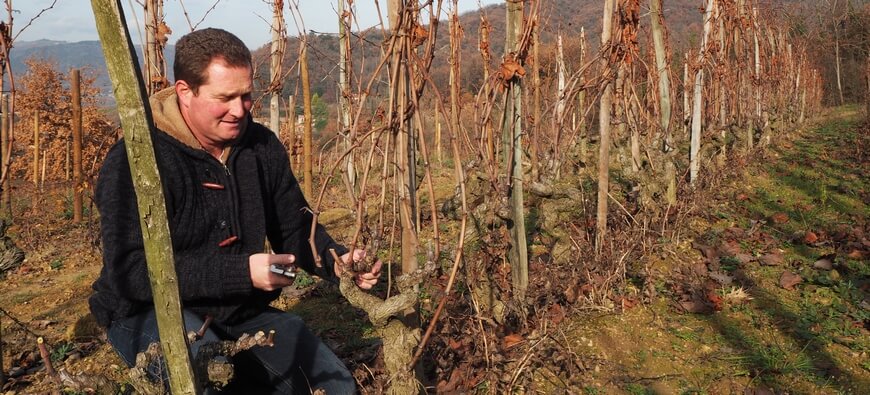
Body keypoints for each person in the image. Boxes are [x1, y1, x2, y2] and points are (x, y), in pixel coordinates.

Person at [89, 28, 381, 394]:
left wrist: (337, 259)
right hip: (150, 312)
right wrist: (241, 272)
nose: (239, 110)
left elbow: (294, 226)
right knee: (204, 381)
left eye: (246, 96)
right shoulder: (137, 160)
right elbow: (128, 272)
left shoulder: (260, 147)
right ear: (185, 92)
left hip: (242, 313)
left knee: (336, 387)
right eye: (225, 98)